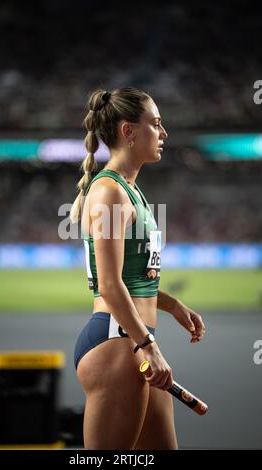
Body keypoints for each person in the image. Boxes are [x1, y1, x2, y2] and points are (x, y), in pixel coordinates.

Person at [70, 87, 206, 450]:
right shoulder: (109, 192)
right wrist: (149, 346)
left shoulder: (132, 191)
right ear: (128, 131)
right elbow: (109, 285)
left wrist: (173, 305)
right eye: (156, 124)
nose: (164, 134)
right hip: (120, 344)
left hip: (134, 341)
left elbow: (131, 280)